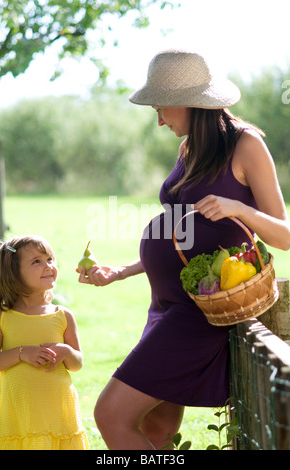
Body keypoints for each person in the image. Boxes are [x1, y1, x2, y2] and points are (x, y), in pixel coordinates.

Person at [78, 49, 290, 450]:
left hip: (199, 313)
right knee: (156, 432)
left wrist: (239, 208)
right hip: (164, 305)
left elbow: (284, 236)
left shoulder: (246, 146)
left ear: (191, 104)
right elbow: (184, 237)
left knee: (109, 414)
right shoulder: (189, 150)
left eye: (162, 109)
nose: (159, 120)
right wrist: (121, 271)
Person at [0, 235, 90, 450]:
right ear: (13, 273)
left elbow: (77, 363)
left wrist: (66, 352)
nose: (48, 266)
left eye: (50, 259)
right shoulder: (1, 317)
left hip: (57, 414)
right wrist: (20, 353)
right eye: (36, 261)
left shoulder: (63, 316)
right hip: (18, 415)